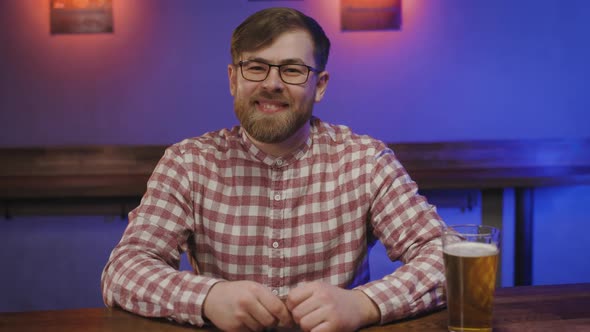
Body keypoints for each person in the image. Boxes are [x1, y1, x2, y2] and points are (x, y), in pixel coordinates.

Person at [101, 7, 446, 332]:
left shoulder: (365, 161)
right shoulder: (188, 164)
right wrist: (207, 297)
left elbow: (446, 257)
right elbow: (123, 270)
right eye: (256, 67)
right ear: (233, 78)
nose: (272, 83)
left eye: (292, 70)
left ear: (320, 85)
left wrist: (363, 304)